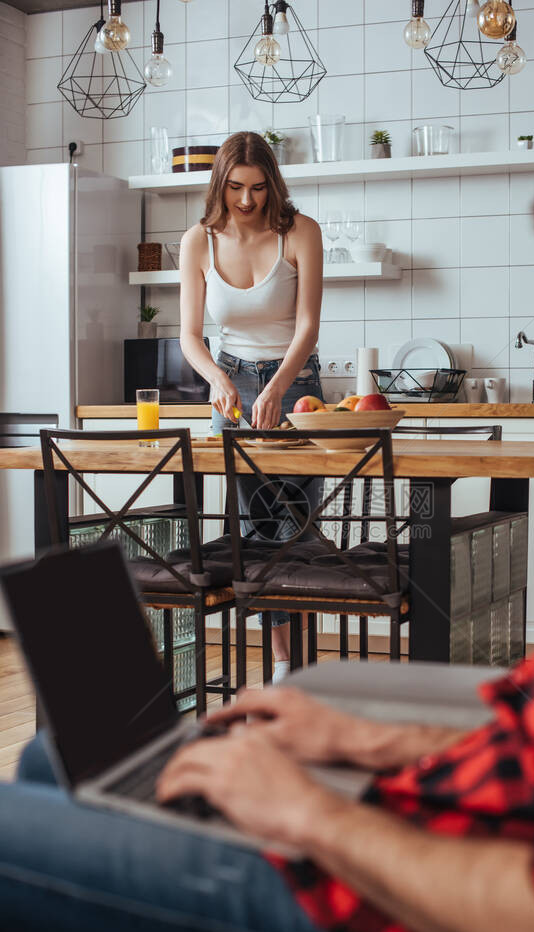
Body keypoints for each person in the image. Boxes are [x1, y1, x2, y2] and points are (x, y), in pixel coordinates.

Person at [2, 101, 534, 932]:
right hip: (444, 826)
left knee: (37, 798)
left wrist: (311, 812)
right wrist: (366, 741)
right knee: (57, 760)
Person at [179, 131, 325, 682]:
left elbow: (307, 325)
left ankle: (297, 661)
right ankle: (283, 663)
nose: (246, 200)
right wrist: (217, 377)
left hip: (295, 385)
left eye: (258, 188)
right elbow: (190, 335)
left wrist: (277, 387)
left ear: (272, 184)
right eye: (236, 187)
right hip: (232, 385)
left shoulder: (299, 232)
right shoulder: (199, 240)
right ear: (221, 183)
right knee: (252, 525)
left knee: (294, 524)